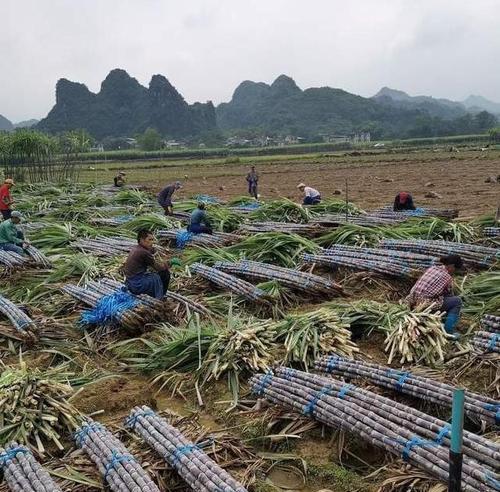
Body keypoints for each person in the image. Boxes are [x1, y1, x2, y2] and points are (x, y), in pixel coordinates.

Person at [407, 255, 463, 337]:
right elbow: (448, 293)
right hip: (424, 304)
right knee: (457, 301)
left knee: (447, 299)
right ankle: (448, 332)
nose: (454, 272)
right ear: (452, 266)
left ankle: (442, 321)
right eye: (455, 269)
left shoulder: (432, 268)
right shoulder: (446, 277)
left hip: (411, 300)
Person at [123, 229, 170, 299]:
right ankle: (159, 298)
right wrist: (169, 264)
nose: (152, 242)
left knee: (153, 275)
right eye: (150, 240)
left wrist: (153, 250)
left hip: (129, 282)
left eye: (152, 240)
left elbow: (151, 251)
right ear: (142, 240)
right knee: (158, 276)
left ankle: (157, 294)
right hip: (136, 284)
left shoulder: (137, 248)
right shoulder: (143, 252)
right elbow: (158, 268)